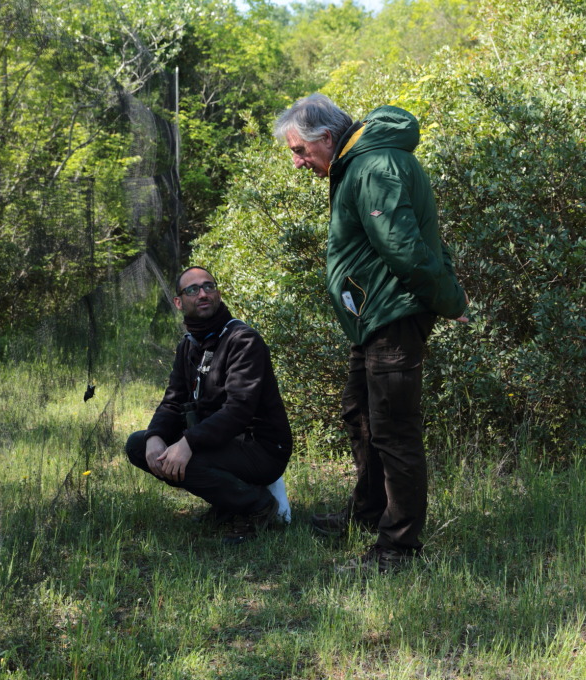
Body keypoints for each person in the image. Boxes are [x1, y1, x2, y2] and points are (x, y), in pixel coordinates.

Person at [274, 94, 468, 572]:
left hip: (392, 316)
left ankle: (398, 549)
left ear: (325, 137)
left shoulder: (375, 164)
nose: (298, 162)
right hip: (374, 316)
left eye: (299, 150)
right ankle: (367, 514)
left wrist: (450, 300)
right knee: (359, 414)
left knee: (394, 430)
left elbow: (405, 247)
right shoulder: (359, 162)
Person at [125, 266, 293, 544]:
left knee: (186, 458)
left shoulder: (243, 340)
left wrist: (188, 443)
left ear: (218, 293)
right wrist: (155, 436)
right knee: (138, 445)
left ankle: (257, 505)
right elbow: (173, 400)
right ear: (179, 302)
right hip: (220, 442)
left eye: (208, 286)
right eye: (192, 289)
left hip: (261, 448)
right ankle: (229, 503)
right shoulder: (189, 345)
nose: (202, 294)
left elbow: (238, 410)